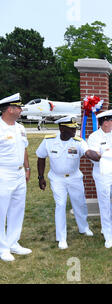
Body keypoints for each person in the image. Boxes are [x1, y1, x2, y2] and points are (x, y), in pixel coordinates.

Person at [36, 116, 99, 249]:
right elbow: (41, 157)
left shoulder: (78, 141)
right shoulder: (49, 141)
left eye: (75, 128)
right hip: (57, 178)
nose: (75, 131)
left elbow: (87, 152)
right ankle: (61, 238)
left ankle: (83, 228)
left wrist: (99, 156)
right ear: (62, 128)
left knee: (80, 203)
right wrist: (41, 177)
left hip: (75, 178)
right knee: (60, 205)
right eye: (71, 129)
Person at [87, 109, 112, 249]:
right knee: (104, 202)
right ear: (105, 123)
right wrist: (109, 153)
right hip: (102, 172)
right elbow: (95, 155)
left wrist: (108, 153)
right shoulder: (94, 137)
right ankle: (108, 237)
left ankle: (109, 227)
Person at [0, 93, 32, 262]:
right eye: (19, 107)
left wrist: (27, 168)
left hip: (19, 173)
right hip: (3, 173)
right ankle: (2, 247)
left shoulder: (20, 127)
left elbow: (24, 149)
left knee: (17, 209)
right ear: (10, 109)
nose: (21, 110)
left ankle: (13, 242)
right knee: (1, 210)